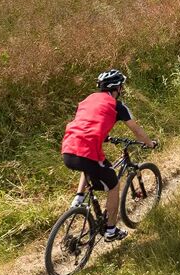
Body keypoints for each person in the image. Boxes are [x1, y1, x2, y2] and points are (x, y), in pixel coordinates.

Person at [60, 69, 157, 242]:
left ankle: (79, 198)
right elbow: (136, 130)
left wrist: (104, 137)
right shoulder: (117, 106)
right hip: (87, 153)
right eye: (121, 86)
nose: (122, 89)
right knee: (113, 184)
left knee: (91, 163)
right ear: (117, 88)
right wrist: (150, 143)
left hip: (68, 149)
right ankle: (111, 231)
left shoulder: (88, 100)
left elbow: (88, 122)